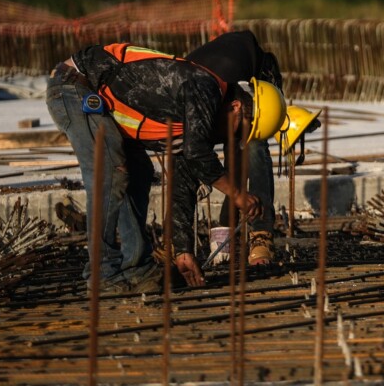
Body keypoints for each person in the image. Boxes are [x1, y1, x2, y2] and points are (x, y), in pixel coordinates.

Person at [46, 41, 286, 291]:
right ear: (236, 107)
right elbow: (197, 154)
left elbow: (183, 181)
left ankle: (136, 268)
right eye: (240, 130)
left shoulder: (192, 120)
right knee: (109, 174)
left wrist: (183, 251)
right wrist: (237, 194)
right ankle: (103, 274)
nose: (231, 139)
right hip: (77, 87)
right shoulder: (204, 86)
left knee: (140, 173)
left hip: (102, 101)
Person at [185, 29, 286, 266]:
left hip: (242, 83)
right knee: (198, 155)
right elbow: (193, 152)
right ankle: (184, 242)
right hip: (214, 87)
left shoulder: (237, 87)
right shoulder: (192, 92)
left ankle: (261, 234)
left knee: (253, 145)